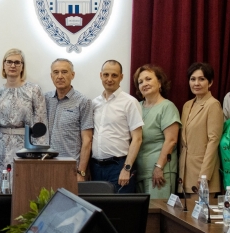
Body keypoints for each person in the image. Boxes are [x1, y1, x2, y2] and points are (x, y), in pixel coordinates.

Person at [0, 49, 47, 188]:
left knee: (23, 185)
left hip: (25, 145)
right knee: (2, 184)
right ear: (4, 65)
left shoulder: (33, 90)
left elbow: (40, 123)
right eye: (9, 62)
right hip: (1, 146)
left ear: (22, 66)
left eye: (17, 62)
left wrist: (39, 154)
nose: (13, 65)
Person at [90, 60, 144, 194]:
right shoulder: (94, 103)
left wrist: (127, 168)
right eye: (106, 75)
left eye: (114, 75)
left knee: (120, 206)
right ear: (100, 75)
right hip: (96, 167)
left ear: (121, 77)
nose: (109, 79)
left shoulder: (130, 102)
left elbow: (137, 138)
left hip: (119, 167)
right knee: (97, 206)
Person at [133, 65, 180, 200]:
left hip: (160, 172)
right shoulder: (137, 106)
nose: (144, 84)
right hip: (139, 172)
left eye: (148, 79)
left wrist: (159, 167)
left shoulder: (167, 107)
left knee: (156, 211)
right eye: (140, 82)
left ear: (159, 83)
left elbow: (171, 140)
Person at [44, 59, 93, 180]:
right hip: (46, 165)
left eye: (64, 72)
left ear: (72, 75)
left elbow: (87, 140)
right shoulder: (45, 99)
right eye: (56, 72)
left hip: (71, 168)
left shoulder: (83, 101)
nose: (60, 76)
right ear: (51, 76)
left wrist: (81, 172)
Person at [178, 62, 222, 196]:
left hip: (202, 172)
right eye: (193, 79)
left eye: (201, 79)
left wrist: (204, 174)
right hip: (185, 171)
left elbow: (213, 141)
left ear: (210, 82)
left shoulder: (213, 105)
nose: (196, 83)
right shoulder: (187, 105)